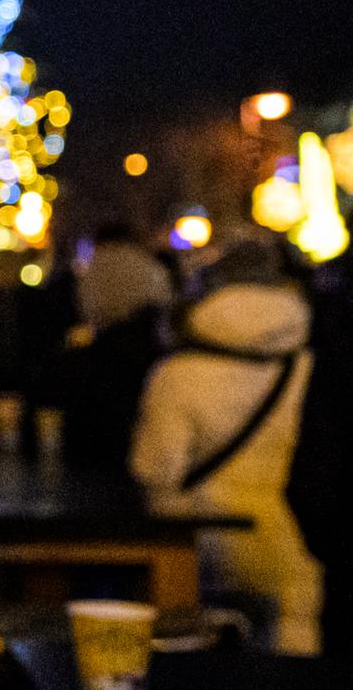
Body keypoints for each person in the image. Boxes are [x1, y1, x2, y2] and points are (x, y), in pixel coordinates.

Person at [132, 235, 324, 655]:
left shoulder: (177, 372)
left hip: (204, 533)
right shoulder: (308, 365)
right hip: (290, 529)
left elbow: (155, 469)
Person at [46, 226, 174, 470]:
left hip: (105, 354)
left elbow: (87, 308)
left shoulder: (95, 267)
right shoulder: (149, 266)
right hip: (143, 353)